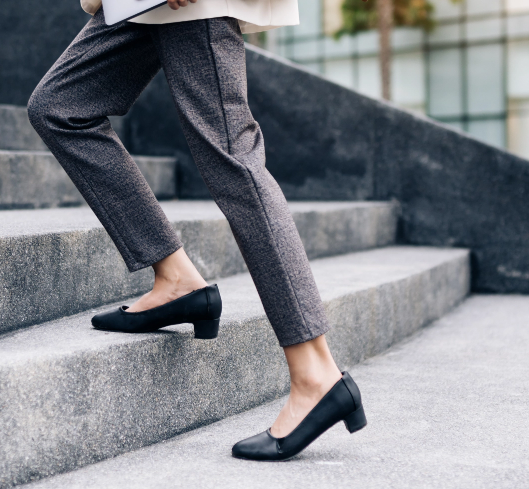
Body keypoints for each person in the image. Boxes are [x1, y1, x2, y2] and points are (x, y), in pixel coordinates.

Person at [26, 0, 366, 462]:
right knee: (61, 107)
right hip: (139, 3)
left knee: (235, 164)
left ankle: (316, 372)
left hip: (192, 5)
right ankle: (176, 279)